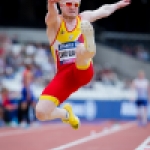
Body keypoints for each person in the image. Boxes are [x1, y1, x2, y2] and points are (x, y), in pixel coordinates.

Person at [35, 0, 130, 129]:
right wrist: (51, 4)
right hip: (64, 77)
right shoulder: (55, 22)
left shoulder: (83, 18)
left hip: (83, 70)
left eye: (76, 5)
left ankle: (90, 46)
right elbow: (52, 12)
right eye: (69, 4)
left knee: (80, 49)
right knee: (41, 113)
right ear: (61, 5)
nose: (73, 8)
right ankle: (66, 114)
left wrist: (116, 5)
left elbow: (103, 10)